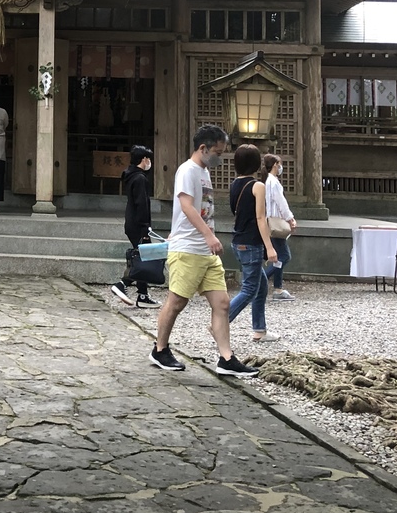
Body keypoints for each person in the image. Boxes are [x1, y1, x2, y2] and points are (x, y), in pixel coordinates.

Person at [149, 124, 258, 377]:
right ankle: (160, 349)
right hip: (189, 248)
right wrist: (209, 235)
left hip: (205, 251)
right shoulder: (187, 170)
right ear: (203, 148)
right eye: (218, 152)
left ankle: (226, 358)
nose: (220, 157)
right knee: (177, 301)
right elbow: (186, 206)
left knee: (222, 304)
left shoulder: (204, 171)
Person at [226, 145, 280, 343]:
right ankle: (220, 323)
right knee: (249, 289)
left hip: (238, 241)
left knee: (261, 285)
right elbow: (260, 218)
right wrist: (270, 247)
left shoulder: (234, 184)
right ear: (257, 164)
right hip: (251, 243)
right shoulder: (258, 186)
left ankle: (259, 330)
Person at [110, 145, 159, 308]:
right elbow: (141, 205)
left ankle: (143, 296)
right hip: (138, 225)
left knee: (143, 257)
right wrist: (145, 228)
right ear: (143, 159)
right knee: (143, 259)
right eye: (148, 159)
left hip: (132, 222)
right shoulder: (140, 179)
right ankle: (122, 284)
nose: (149, 162)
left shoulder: (131, 176)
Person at [263, 153, 297, 300]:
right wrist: (290, 218)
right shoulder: (273, 182)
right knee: (284, 256)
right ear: (275, 165)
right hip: (277, 221)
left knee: (279, 258)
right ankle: (262, 279)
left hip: (272, 221)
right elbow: (281, 202)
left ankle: (278, 288)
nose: (280, 167)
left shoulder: (268, 181)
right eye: (279, 164)